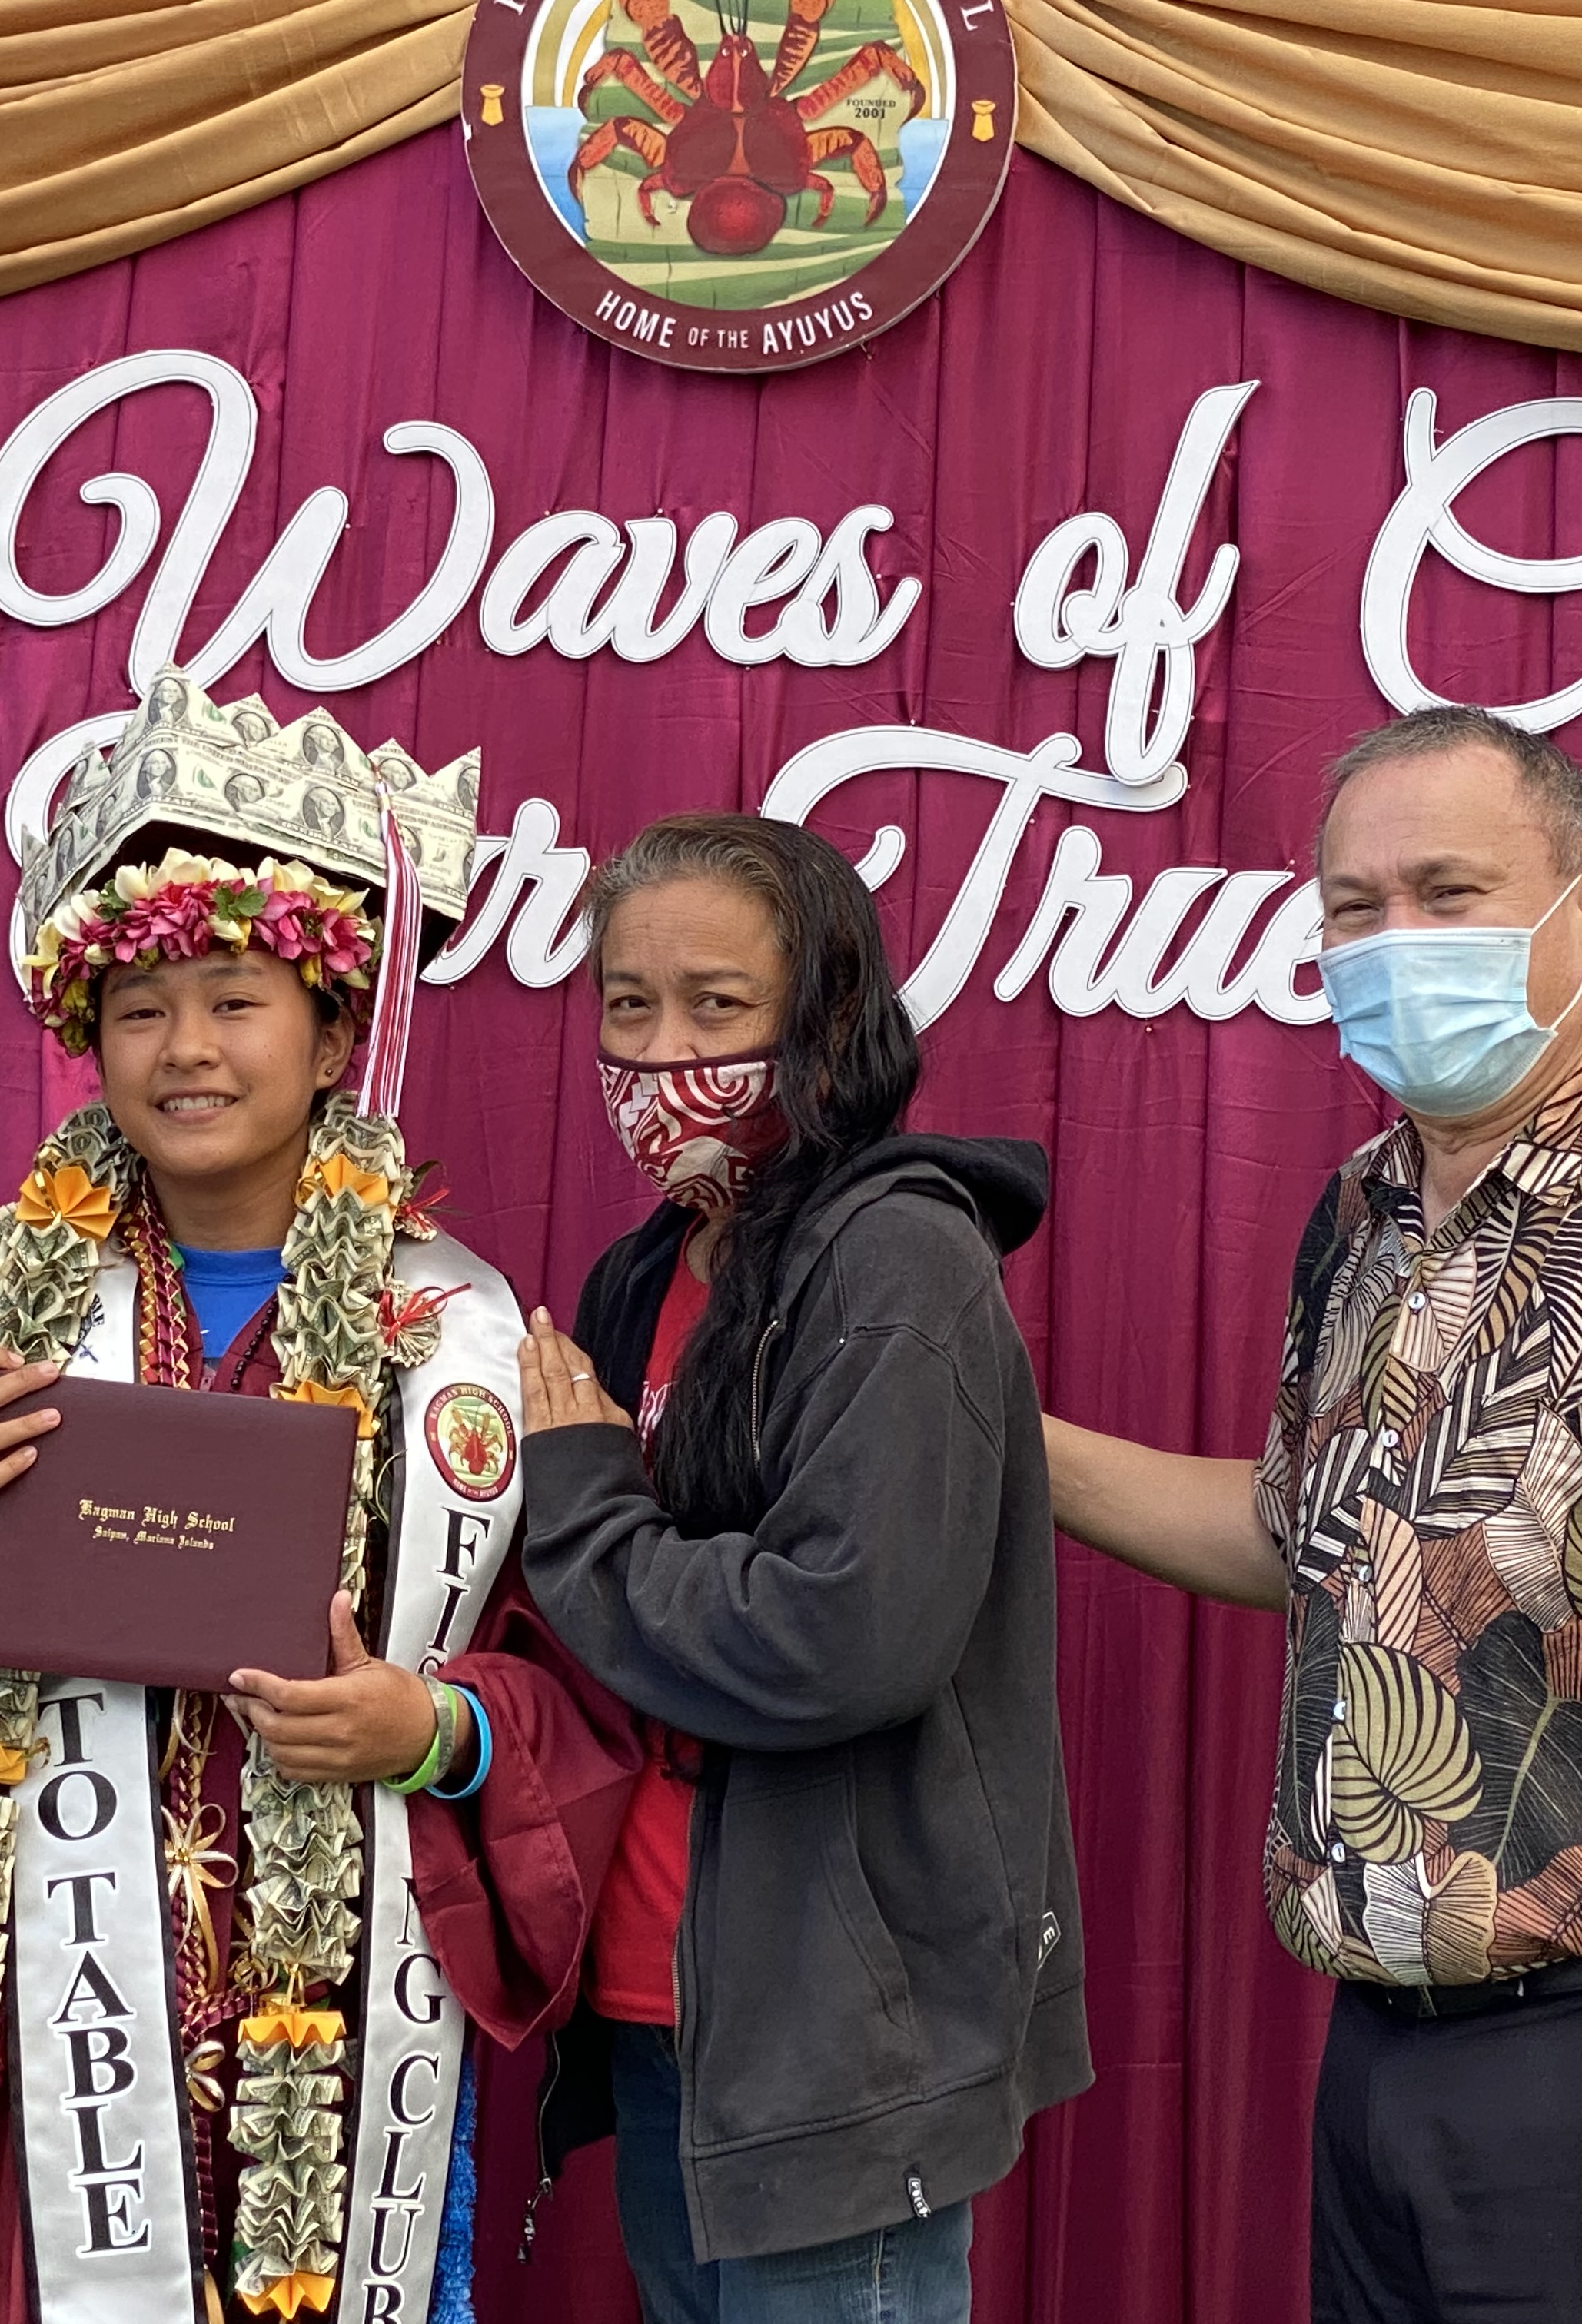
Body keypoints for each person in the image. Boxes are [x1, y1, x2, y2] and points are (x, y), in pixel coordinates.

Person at [0, 670, 641, 2324]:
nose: (184, 1050)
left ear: (333, 1033)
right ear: (86, 1044)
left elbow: (586, 1680)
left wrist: (434, 1730)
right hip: (36, 2031)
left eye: (236, 1000)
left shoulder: (466, 1342)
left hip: (331, 2017)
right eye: (138, 1009)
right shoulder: (1, 1328)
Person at [1046, 706, 1582, 2323]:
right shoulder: (1360, 1214)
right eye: (1355, 909)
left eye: (1448, 894)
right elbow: (1302, 1537)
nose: (1395, 945)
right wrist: (1005, 1447)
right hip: (1388, 2059)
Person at [515, 813, 1092, 2324]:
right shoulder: (645, 1269)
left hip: (834, 2043)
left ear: (826, 1019)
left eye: (717, 1005)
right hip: (659, 2003)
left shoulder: (896, 1259)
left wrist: (574, 1499)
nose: (659, 1054)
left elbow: (843, 1638)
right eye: (627, 1006)